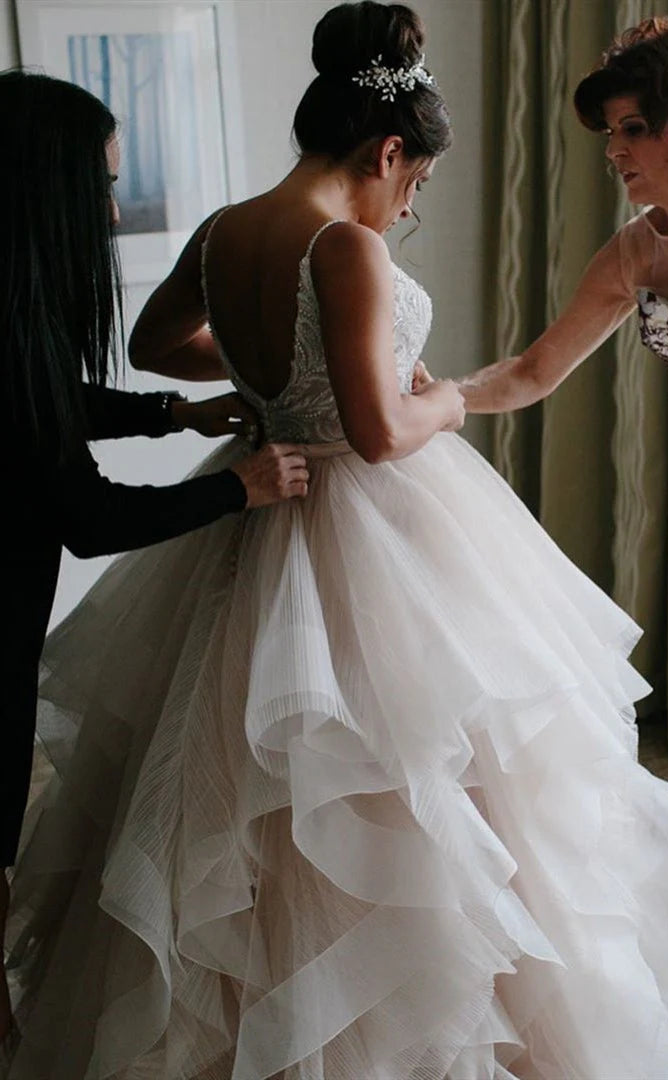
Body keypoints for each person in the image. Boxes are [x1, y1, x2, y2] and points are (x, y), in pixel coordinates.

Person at [5, 6, 668, 1078]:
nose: (411, 205)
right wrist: (431, 403)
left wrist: (264, 381)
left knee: (246, 776)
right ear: (390, 151)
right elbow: (382, 432)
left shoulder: (226, 225)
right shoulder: (347, 244)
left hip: (261, 498)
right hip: (366, 510)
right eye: (417, 184)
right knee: (418, 771)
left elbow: (161, 343)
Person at [0, 68, 309, 1048]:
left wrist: (167, 411)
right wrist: (236, 488)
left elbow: (50, 405)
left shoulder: (15, 302)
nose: (112, 205)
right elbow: (84, 513)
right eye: (100, 183)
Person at [437, 15, 668, 939]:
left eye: (636, 128)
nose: (618, 153)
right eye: (610, 136)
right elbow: (529, 373)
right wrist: (432, 397)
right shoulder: (637, 252)